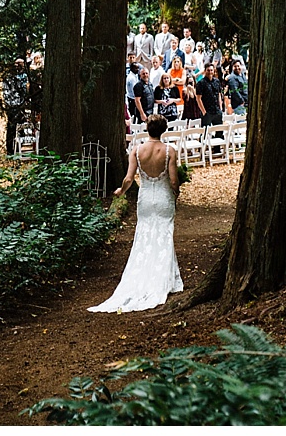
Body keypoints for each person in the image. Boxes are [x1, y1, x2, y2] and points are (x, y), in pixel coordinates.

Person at [89, 114, 182, 313]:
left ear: (148, 129)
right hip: (164, 198)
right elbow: (173, 181)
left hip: (146, 199)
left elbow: (129, 178)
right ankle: (164, 279)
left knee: (144, 234)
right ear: (163, 129)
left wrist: (121, 191)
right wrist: (176, 192)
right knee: (164, 235)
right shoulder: (170, 151)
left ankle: (153, 275)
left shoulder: (137, 151)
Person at [3, 58, 30, 155]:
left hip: (18, 104)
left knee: (21, 127)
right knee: (12, 127)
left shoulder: (23, 75)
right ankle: (10, 149)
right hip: (14, 105)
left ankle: (19, 148)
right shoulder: (12, 77)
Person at [195, 62, 224, 127]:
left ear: (214, 71)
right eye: (208, 70)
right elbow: (198, 98)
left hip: (217, 111)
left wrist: (220, 109)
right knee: (205, 132)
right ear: (205, 71)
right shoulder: (201, 83)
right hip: (207, 112)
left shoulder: (217, 81)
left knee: (219, 131)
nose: (210, 72)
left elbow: (219, 95)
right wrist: (204, 112)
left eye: (211, 70)